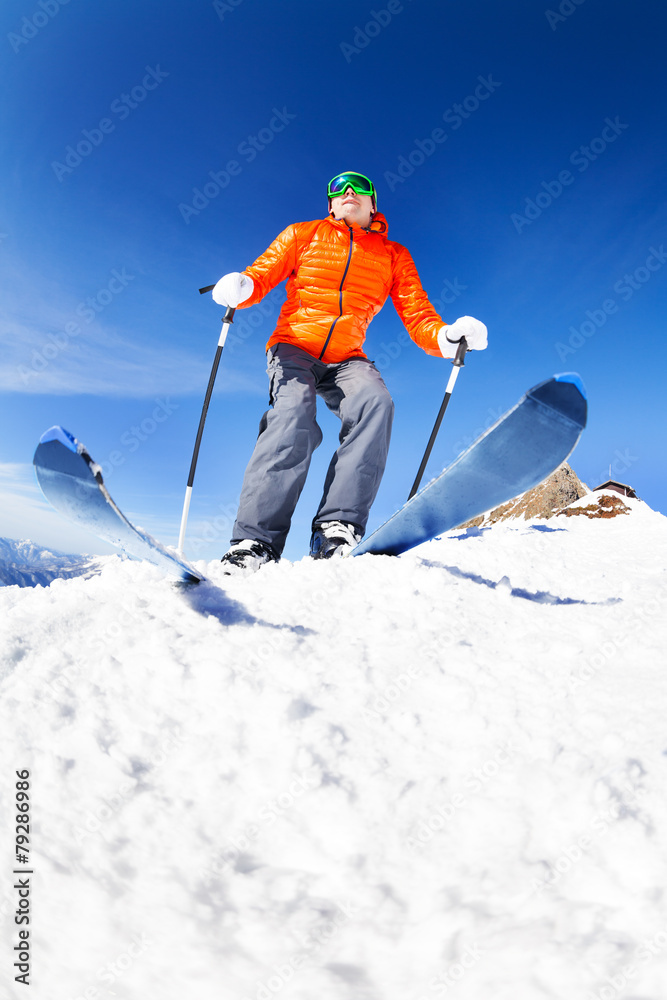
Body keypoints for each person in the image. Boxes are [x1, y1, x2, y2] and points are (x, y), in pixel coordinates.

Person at [212, 170, 488, 573]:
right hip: (294, 348)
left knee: (376, 402)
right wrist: (242, 287)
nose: (348, 192)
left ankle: (336, 529)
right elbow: (263, 273)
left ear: (373, 204)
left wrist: (446, 337)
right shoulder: (302, 235)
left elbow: (417, 313)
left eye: (359, 187)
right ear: (329, 204)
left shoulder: (393, 256)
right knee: (293, 417)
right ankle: (256, 542)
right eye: (337, 189)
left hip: (347, 357)